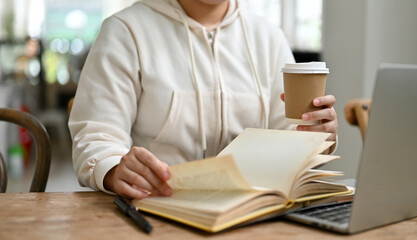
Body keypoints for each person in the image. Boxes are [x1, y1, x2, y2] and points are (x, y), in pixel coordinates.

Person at [69, 0, 338, 200]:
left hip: (251, 212)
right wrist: (114, 168)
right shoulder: (125, 31)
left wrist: (315, 136)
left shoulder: (268, 38)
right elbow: (96, 136)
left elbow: (290, 139)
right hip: (158, 207)